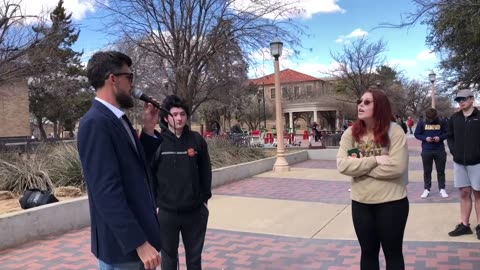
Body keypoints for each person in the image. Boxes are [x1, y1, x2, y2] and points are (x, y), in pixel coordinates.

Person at [77, 51, 162, 270]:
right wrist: (139, 243)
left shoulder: (117, 118)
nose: (133, 85)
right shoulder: (95, 123)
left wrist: (148, 129)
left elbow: (134, 166)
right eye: (130, 78)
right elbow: (105, 192)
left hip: (138, 243)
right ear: (113, 79)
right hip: (124, 250)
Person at [337, 89, 409, 270]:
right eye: (360, 101)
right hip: (361, 203)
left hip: (392, 203)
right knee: (368, 253)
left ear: (380, 106)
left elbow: (397, 167)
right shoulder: (350, 133)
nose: (361, 105)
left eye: (367, 102)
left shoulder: (395, 131)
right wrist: (375, 160)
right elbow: (342, 165)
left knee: (393, 254)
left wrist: (360, 167)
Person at [141, 95, 212, 270]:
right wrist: (155, 205)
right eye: (174, 114)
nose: (179, 118)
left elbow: (205, 172)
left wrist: (204, 199)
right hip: (166, 213)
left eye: (182, 114)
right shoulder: (157, 142)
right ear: (166, 117)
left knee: (194, 260)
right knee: (169, 260)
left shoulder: (197, 141)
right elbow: (150, 175)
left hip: (195, 212)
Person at [446, 89, 480, 239]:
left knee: (478, 194)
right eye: (458, 100)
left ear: (472, 99)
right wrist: (454, 152)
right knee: (464, 193)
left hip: (477, 162)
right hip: (460, 162)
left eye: (464, 99)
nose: (461, 102)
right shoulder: (455, 118)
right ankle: (465, 225)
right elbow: (450, 137)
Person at [414, 108, 449, 198]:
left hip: (439, 150)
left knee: (441, 171)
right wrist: (425, 138)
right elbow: (417, 134)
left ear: (436, 116)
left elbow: (448, 133)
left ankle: (442, 188)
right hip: (426, 150)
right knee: (427, 171)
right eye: (429, 119)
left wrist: (440, 137)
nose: (431, 121)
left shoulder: (442, 121)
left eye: (432, 119)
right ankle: (427, 189)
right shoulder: (422, 122)